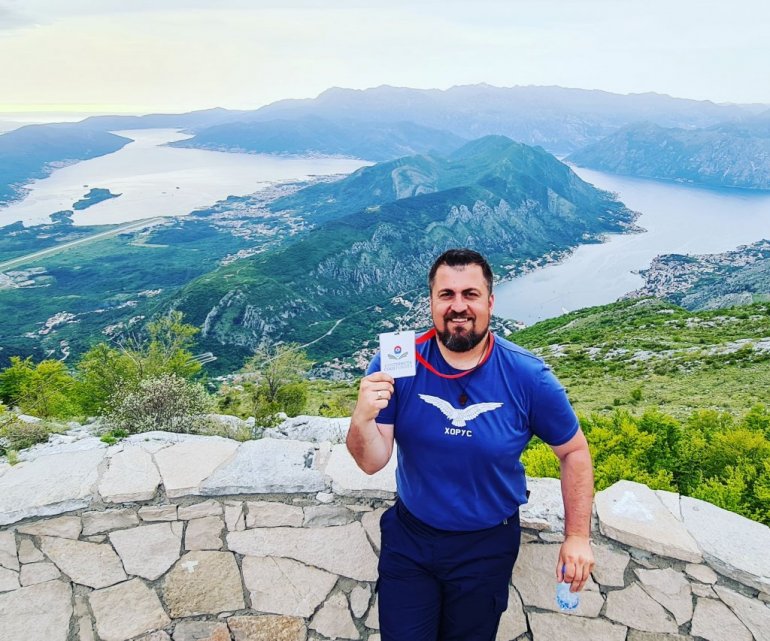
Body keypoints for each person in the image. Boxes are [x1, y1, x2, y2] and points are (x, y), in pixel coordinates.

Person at [346, 248, 595, 641]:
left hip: (486, 546)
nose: (458, 306)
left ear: (490, 302)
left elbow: (574, 451)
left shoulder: (527, 375)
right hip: (411, 539)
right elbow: (372, 462)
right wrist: (361, 419)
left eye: (470, 294)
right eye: (446, 294)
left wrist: (577, 537)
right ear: (431, 302)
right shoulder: (397, 362)